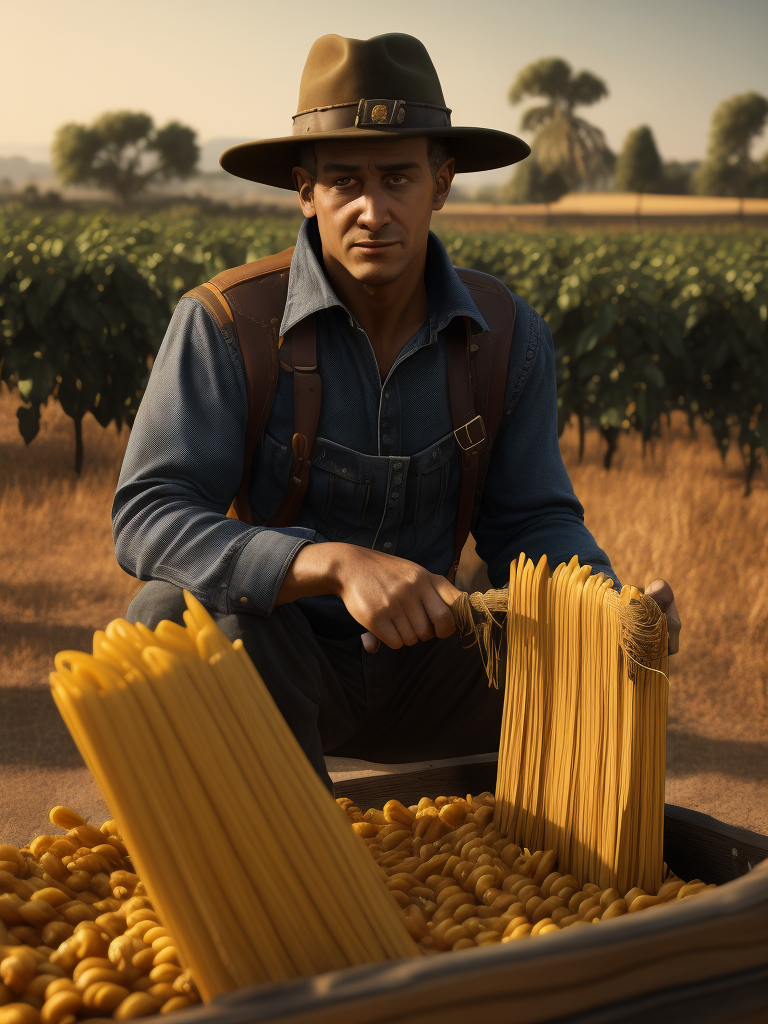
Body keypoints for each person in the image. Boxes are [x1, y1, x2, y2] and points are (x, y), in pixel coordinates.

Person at [114, 32, 680, 790]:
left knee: (599, 648)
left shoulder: (506, 334)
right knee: (165, 618)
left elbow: (532, 523)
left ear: (440, 184)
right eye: (344, 181)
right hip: (285, 661)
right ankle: (288, 852)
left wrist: (608, 607)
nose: (372, 211)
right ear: (305, 190)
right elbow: (149, 514)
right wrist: (334, 565)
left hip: (442, 663)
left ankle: (544, 854)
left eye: (398, 178)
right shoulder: (228, 322)